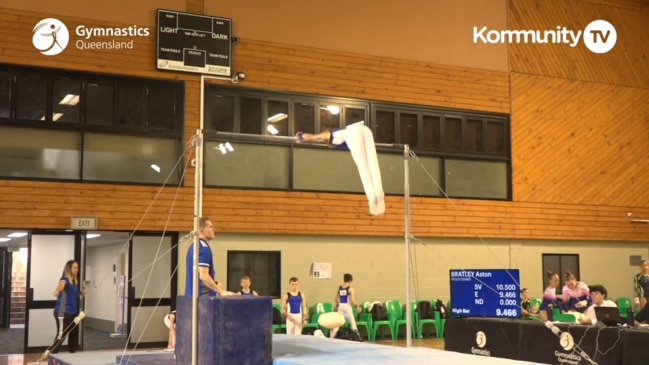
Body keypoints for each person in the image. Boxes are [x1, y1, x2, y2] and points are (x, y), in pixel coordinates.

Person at [295, 121, 385, 216]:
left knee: (363, 167)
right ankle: (380, 197)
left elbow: (311, 137)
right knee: (373, 163)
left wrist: (300, 135)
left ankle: (372, 201)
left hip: (354, 132)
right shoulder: (341, 135)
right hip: (365, 130)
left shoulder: (329, 134)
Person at [185, 217, 233, 297]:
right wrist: (220, 291)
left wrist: (215, 284)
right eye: (211, 227)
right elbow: (203, 276)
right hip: (202, 300)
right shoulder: (204, 248)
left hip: (190, 297)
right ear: (201, 230)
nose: (214, 229)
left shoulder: (193, 246)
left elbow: (198, 275)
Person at [52, 260, 84, 353]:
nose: (77, 269)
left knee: (73, 332)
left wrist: (81, 293)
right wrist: (57, 290)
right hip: (62, 311)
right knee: (62, 334)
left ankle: (72, 353)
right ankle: (53, 354)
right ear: (69, 269)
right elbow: (61, 285)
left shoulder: (74, 282)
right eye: (75, 267)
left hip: (72, 311)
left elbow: (74, 294)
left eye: (77, 267)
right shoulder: (64, 278)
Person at [331, 273, 362, 338]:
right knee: (352, 322)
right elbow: (352, 300)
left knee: (338, 322)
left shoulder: (339, 288)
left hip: (340, 306)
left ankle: (333, 337)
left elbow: (335, 298)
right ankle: (357, 337)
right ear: (350, 281)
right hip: (347, 306)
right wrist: (357, 306)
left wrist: (337, 306)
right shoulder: (351, 289)